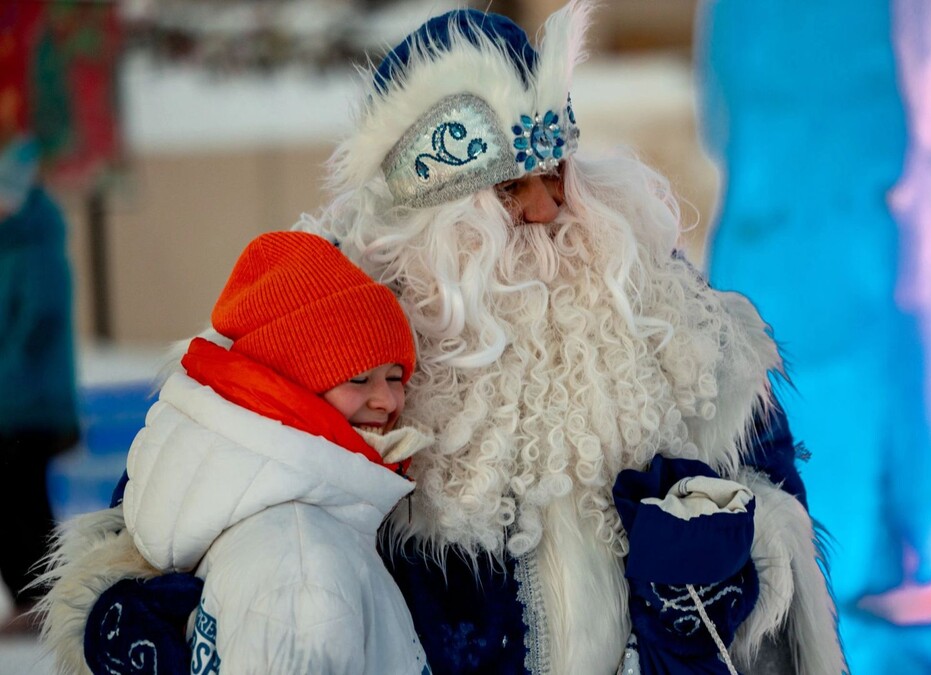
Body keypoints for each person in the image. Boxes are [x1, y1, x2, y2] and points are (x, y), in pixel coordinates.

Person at [41, 2, 846, 673]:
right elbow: (179, 503)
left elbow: (780, 550)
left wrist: (710, 582)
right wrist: (152, 627)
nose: (544, 210)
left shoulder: (676, 322)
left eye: (556, 174)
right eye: (507, 187)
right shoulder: (330, 318)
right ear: (429, 211)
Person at [45, 231, 434, 674]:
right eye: (359, 380)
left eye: (396, 375)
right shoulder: (302, 567)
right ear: (293, 386)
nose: (387, 400)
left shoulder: (279, 513)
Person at [0, 133, 80, 633]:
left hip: (29, 404)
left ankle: (40, 599)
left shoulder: (36, 247)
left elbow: (38, 324)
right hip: (14, 401)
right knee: (17, 497)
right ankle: (33, 598)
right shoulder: (12, 248)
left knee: (21, 498)